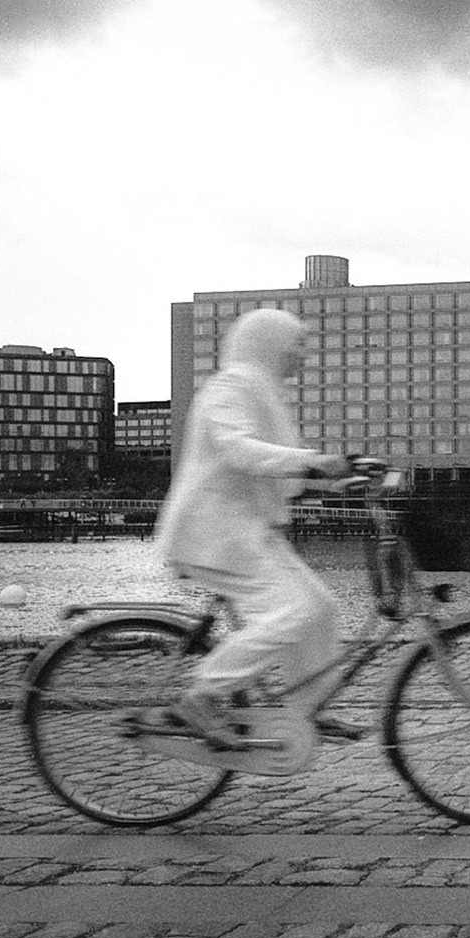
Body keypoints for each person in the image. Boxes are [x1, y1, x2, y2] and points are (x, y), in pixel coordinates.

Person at [154, 309, 351, 747]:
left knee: (319, 607)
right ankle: (204, 696)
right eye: (296, 345)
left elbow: (278, 468)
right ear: (268, 344)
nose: (302, 355)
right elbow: (237, 449)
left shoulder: (261, 392)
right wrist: (310, 460)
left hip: (244, 532)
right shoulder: (231, 386)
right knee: (293, 611)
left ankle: (309, 710)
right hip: (214, 532)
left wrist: (335, 475)